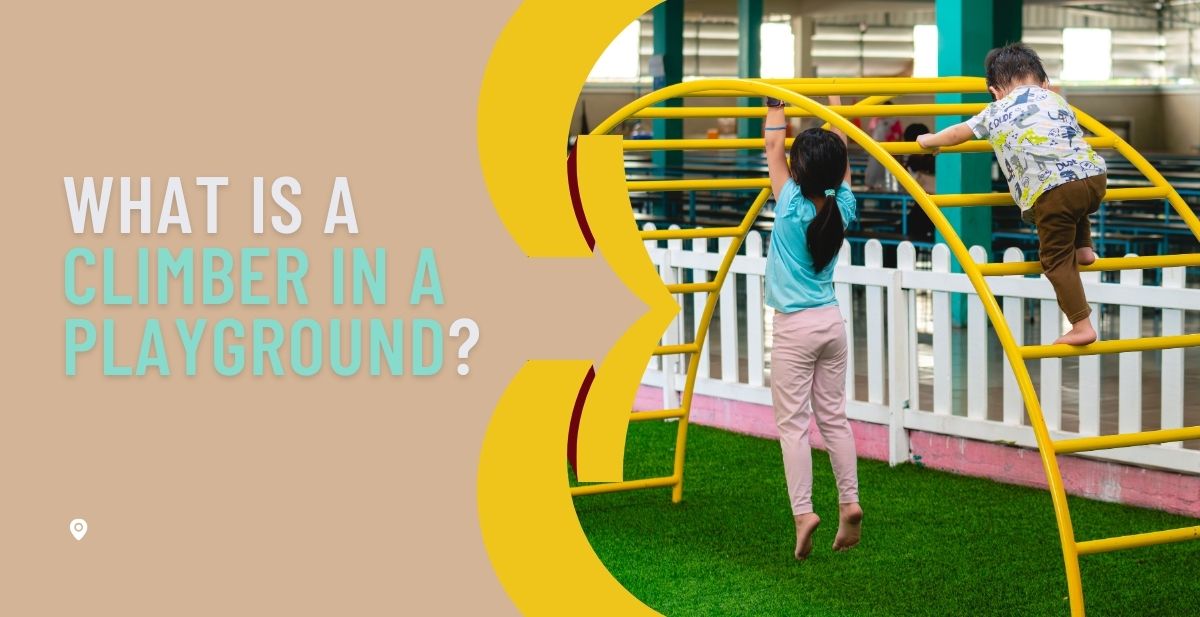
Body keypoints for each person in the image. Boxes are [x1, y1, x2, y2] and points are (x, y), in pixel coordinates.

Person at [916, 43, 1107, 345]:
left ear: (995, 91)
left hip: (1052, 191)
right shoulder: (1057, 100)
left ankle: (1081, 324)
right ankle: (1084, 248)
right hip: (1095, 178)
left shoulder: (995, 110)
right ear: (1045, 82)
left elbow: (956, 135)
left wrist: (929, 141)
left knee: (1055, 259)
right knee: (1076, 195)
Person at [763, 95, 862, 560]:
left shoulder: (787, 204)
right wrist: (837, 108)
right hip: (831, 324)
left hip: (795, 329)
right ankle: (850, 502)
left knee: (793, 426)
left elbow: (772, 147)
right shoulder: (843, 206)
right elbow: (835, 157)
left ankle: (804, 512)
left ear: (798, 171)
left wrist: (775, 107)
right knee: (834, 419)